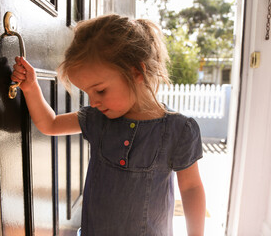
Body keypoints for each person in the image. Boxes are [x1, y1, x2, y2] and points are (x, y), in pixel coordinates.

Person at [11, 14, 205, 236]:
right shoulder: (97, 119)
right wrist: (30, 87)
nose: (93, 101)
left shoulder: (179, 130)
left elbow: (191, 188)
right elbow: (50, 124)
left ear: (136, 73)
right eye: (87, 92)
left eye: (100, 90)